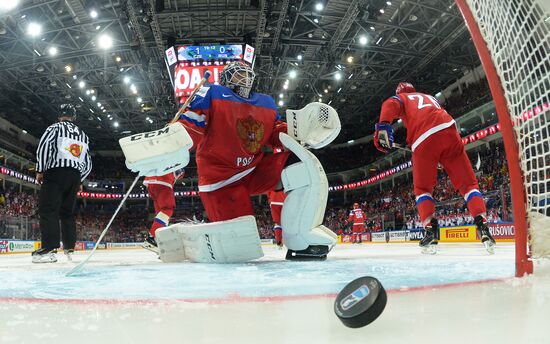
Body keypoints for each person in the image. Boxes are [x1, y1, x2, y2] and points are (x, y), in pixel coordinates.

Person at [121, 60, 340, 262]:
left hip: (254, 169)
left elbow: (275, 133)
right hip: (221, 181)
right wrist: (166, 145)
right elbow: (192, 127)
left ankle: (301, 239)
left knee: (303, 166)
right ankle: (180, 237)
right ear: (225, 79)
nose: (243, 79)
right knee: (239, 246)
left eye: (246, 74)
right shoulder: (212, 93)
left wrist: (299, 131)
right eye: (237, 75)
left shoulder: (266, 102)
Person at [373, 82, 495, 254]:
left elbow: (389, 104)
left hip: (423, 138)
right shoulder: (428, 96)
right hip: (449, 129)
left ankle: (430, 232)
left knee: (423, 189)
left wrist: (383, 125)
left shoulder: (403, 98)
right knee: (469, 185)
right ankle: (483, 227)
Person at [32, 104, 92, 263]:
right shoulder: (83, 135)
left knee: (48, 209)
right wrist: (80, 178)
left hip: (55, 173)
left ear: (59, 116)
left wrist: (40, 169)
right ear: (74, 117)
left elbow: (44, 148)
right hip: (74, 177)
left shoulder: (54, 128)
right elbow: (88, 162)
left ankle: (49, 249)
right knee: (67, 213)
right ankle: (69, 248)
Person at [142, 169, 184, 252]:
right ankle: (152, 238)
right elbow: (178, 171)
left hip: (150, 182)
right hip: (163, 180)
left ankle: (159, 240)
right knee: (167, 209)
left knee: (161, 214)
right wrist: (180, 173)